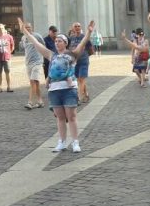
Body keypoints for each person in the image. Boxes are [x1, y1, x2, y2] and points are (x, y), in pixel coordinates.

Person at [19, 17, 95, 153]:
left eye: (59, 41)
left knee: (71, 117)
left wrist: (89, 33)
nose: (57, 43)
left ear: (65, 43)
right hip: (54, 90)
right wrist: (25, 32)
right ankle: (62, 142)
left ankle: (75, 142)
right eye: (56, 41)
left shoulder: (72, 54)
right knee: (60, 118)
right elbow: (36, 43)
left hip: (69, 90)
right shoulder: (51, 55)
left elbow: (82, 44)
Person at [21, 22, 45, 109]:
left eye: (29, 27)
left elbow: (43, 45)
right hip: (28, 63)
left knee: (32, 81)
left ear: (32, 28)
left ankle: (30, 102)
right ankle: (40, 101)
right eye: (26, 28)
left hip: (37, 62)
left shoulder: (37, 36)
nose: (27, 29)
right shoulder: (23, 37)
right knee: (36, 83)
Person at [68, 22, 93, 103]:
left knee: (81, 79)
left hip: (83, 61)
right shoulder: (71, 38)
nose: (77, 27)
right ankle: (86, 94)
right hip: (75, 61)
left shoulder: (84, 37)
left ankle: (78, 97)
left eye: (79, 26)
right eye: (75, 26)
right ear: (72, 28)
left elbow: (91, 49)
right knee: (79, 79)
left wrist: (85, 55)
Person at [0, 23, 15, 93]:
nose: (1, 30)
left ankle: (9, 86)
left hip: (7, 57)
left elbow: (12, 46)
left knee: (8, 72)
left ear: (4, 29)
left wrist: (8, 53)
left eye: (2, 28)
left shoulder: (9, 37)